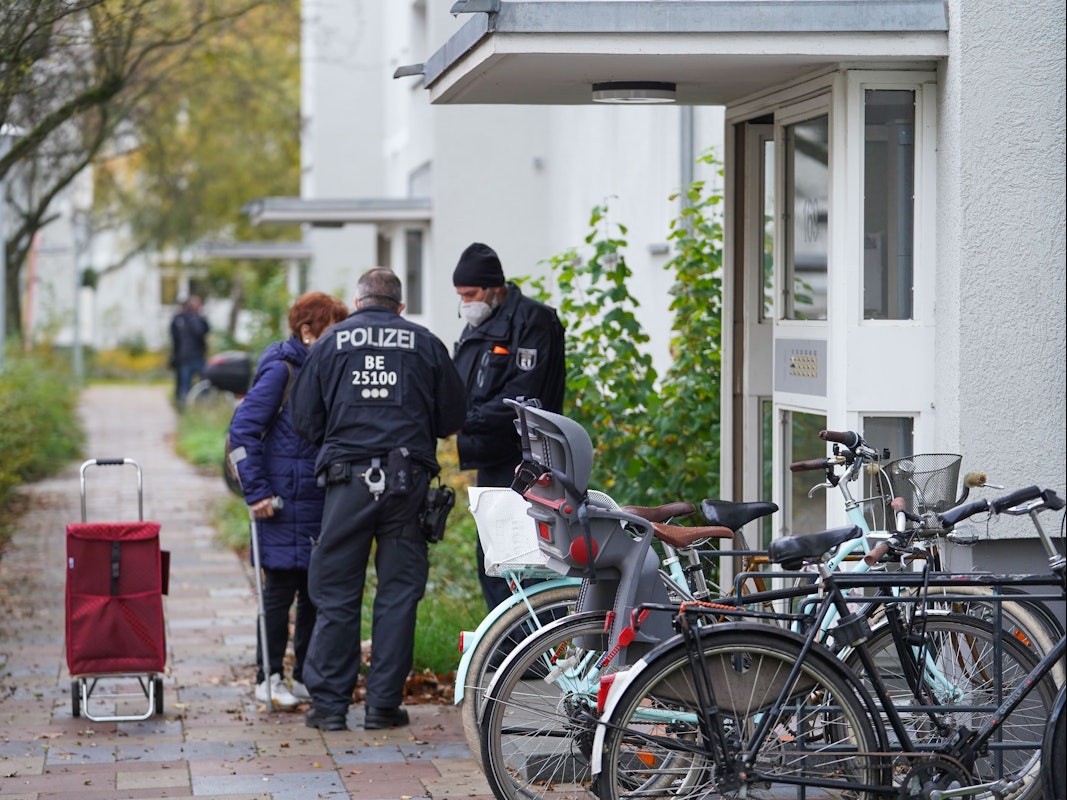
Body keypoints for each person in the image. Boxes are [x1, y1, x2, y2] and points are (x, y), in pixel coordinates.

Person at [289, 268, 466, 732]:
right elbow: (451, 417)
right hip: (407, 486)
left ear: (359, 301)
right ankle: (383, 706)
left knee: (336, 593)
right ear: (400, 307)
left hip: (347, 484)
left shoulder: (331, 343)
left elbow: (304, 419)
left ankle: (329, 708)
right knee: (398, 595)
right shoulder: (425, 343)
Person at [228, 291, 349, 710]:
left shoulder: (322, 368)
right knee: (279, 593)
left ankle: (301, 677)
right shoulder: (283, 371)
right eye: (333, 328)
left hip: (315, 501)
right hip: (280, 503)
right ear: (308, 330)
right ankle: (268, 676)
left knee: (314, 592)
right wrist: (257, 492)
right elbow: (242, 432)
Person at [451, 242, 566, 610]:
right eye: (460, 295)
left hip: (526, 461)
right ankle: (510, 655)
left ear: (493, 287)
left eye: (470, 293)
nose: (465, 302)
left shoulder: (532, 322)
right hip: (490, 458)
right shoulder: (479, 326)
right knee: (494, 559)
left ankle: (532, 655)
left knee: (523, 561)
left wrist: (461, 420)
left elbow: (522, 398)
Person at [169, 294, 210, 410]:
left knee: (204, 383)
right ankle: (184, 407)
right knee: (185, 384)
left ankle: (202, 405)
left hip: (197, 356)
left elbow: (204, 331)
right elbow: (175, 337)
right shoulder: (180, 319)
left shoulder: (199, 319)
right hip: (185, 357)